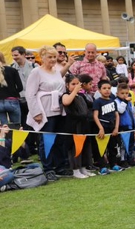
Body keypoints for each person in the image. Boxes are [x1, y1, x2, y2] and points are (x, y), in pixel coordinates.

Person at [25, 45, 67, 173]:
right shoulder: (36, 72)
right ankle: (48, 168)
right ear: (42, 57)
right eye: (50, 57)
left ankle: (60, 166)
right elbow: (30, 93)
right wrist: (35, 112)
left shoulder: (56, 72)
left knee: (60, 139)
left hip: (59, 109)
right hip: (45, 111)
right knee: (47, 139)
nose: (53, 59)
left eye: (54, 57)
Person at [61, 73, 95, 178]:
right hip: (73, 125)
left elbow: (91, 104)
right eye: (73, 84)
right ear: (67, 85)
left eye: (77, 84)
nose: (76, 86)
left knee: (85, 146)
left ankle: (83, 167)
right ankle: (75, 169)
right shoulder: (65, 95)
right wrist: (75, 91)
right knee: (75, 148)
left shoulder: (81, 96)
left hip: (84, 124)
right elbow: (66, 102)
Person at [0, 52, 23, 126]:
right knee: (16, 127)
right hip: (12, 101)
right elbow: (20, 87)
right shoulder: (12, 70)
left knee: (4, 128)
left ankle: (5, 138)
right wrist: (13, 92)